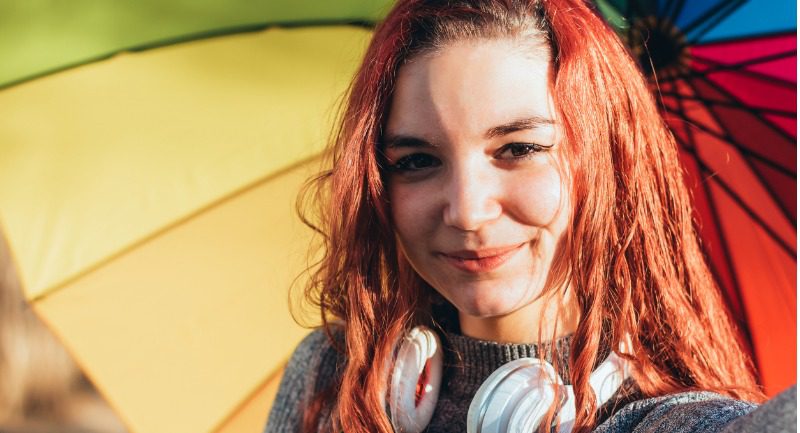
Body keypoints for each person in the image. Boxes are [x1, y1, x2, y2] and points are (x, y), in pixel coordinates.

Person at [265, 1, 794, 432]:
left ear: (607, 161)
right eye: (418, 161)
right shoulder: (331, 378)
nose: (468, 211)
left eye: (518, 149)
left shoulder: (664, 422)